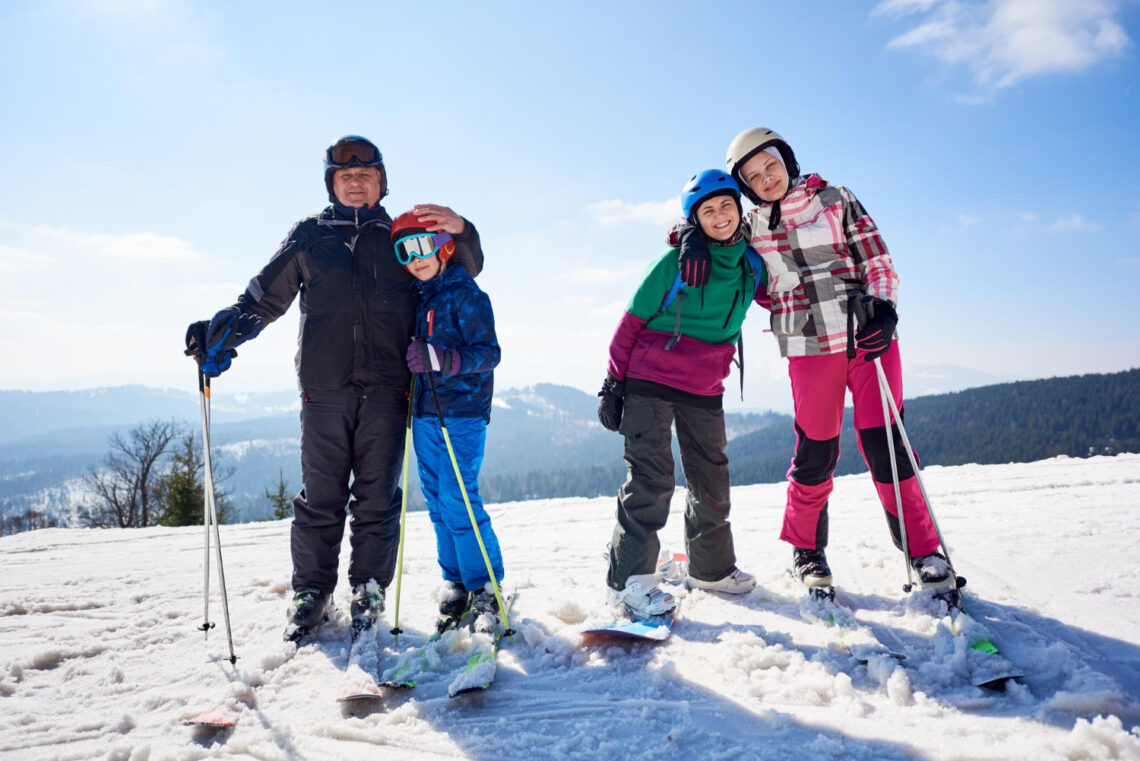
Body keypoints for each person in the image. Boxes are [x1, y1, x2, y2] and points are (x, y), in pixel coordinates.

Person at [184, 135, 485, 642]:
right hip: (323, 389)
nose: (354, 183)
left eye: (365, 176)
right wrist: (223, 331)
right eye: (344, 177)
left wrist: (465, 230)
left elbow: (461, 271)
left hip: (391, 389)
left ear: (381, 183)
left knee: (376, 499)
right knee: (320, 497)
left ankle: (368, 588)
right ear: (331, 184)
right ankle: (312, 591)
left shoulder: (400, 234)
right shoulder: (309, 236)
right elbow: (262, 298)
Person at [678, 126, 955, 593]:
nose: (767, 179)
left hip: (866, 336)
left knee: (888, 446)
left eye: (771, 166)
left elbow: (877, 259)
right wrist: (688, 235)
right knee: (816, 452)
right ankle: (807, 552)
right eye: (754, 176)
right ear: (745, 186)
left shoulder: (835, 199)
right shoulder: (749, 226)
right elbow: (712, 227)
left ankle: (923, 549)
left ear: (787, 160)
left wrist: (885, 309)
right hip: (808, 347)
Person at [597, 169, 767, 619]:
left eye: (725, 206)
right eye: (706, 211)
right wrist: (613, 383)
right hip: (650, 382)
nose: (719, 217)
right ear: (695, 220)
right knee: (651, 480)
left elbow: (787, 292)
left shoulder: (753, 264)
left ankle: (710, 567)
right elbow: (631, 321)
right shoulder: (675, 261)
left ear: (738, 208)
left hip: (706, 385)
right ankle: (629, 579)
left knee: (712, 479)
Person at [392, 211, 506, 631]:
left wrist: (442, 359)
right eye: (404, 251)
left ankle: (486, 587)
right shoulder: (420, 298)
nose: (414, 258)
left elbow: (489, 353)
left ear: (445, 246)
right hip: (425, 412)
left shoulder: (467, 295)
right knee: (438, 501)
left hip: (462, 412)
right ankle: (455, 580)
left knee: (460, 499)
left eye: (421, 246)